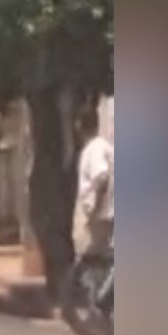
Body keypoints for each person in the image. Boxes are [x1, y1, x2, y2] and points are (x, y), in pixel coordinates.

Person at [75, 98, 115, 256]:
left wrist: (95, 211)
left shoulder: (94, 149)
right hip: (106, 213)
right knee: (99, 258)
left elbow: (102, 178)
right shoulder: (104, 146)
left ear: (79, 126)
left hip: (100, 216)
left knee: (91, 256)